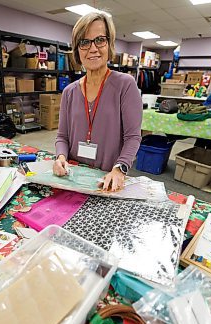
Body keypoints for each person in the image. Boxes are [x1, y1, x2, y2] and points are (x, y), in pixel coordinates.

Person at [54, 12, 142, 191]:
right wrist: (60, 157)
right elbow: (62, 137)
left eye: (100, 40)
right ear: (77, 49)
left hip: (107, 180)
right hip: (73, 178)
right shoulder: (70, 92)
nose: (93, 49)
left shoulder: (125, 85)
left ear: (109, 44)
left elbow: (133, 137)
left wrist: (120, 169)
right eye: (85, 42)